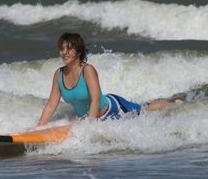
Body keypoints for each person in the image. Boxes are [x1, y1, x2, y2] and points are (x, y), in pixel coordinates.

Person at [37, 33, 182, 126]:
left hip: (114, 108)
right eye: (62, 49)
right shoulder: (59, 74)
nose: (64, 53)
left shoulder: (88, 70)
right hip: (92, 118)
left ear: (79, 51)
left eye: (69, 49)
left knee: (145, 111)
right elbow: (51, 105)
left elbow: (96, 100)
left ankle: (174, 104)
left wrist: (89, 126)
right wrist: (38, 128)